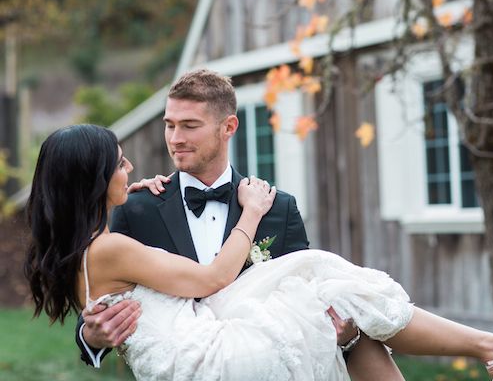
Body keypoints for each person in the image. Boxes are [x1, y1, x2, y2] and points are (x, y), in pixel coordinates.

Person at [26, 126, 493, 381]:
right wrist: (250, 213)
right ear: (94, 179)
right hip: (211, 359)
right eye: (118, 164)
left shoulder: (85, 248)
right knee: (331, 284)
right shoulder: (123, 233)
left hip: (198, 344)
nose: (134, 166)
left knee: (335, 296)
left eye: (186, 126)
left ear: (226, 126)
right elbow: (209, 280)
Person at [75, 69, 403, 379]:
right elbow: (104, 290)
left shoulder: (278, 209)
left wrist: (342, 330)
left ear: (229, 127)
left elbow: (305, 295)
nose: (175, 138)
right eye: (169, 125)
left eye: (189, 125)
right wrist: (91, 335)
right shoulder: (138, 208)